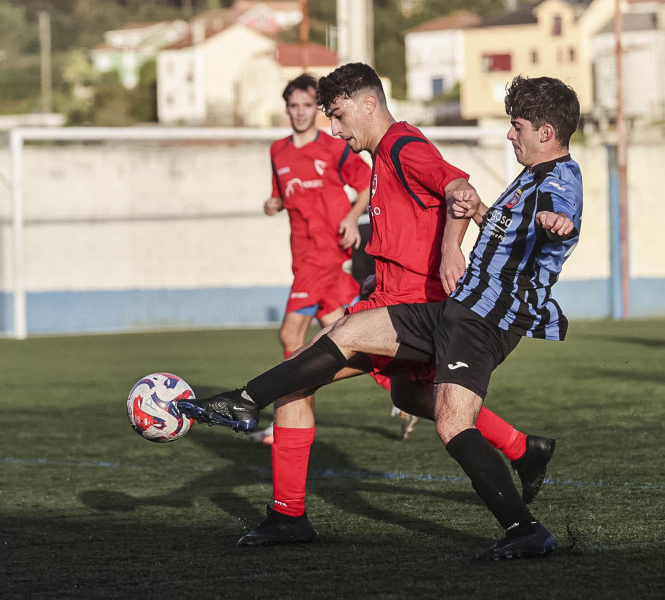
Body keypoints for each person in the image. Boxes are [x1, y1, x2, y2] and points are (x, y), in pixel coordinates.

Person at [182, 69, 575, 559]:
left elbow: (456, 185)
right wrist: (390, 268)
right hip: (402, 298)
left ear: (366, 104)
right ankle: (522, 451)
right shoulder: (385, 154)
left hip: (420, 305)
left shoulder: (403, 147)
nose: (336, 130)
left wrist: (457, 234)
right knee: (410, 396)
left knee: (314, 365)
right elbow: (455, 208)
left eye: (339, 115)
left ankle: (248, 412)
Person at [249, 74, 372, 446]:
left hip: (326, 254)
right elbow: (282, 195)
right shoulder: (278, 151)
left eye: (306, 105)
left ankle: (287, 420)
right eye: (294, 106)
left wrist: (352, 219)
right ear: (286, 109)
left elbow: (367, 184)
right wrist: (274, 203)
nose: (300, 112)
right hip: (302, 256)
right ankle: (402, 379)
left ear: (314, 109)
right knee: (346, 338)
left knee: (291, 336)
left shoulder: (334, 148)